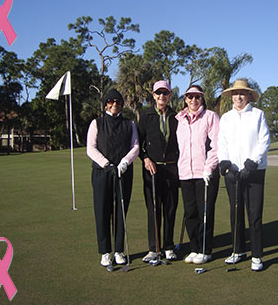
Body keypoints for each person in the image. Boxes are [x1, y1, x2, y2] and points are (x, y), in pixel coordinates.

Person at [218, 79, 270, 271]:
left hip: (254, 172)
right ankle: (237, 250)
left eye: (242, 93)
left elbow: (264, 141)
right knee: (236, 212)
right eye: (235, 93)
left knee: (254, 214)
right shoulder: (226, 118)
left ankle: (257, 255)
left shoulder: (258, 115)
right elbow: (221, 143)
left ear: (249, 96)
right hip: (233, 173)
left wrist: (252, 162)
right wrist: (225, 164)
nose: (238, 97)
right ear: (231, 96)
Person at [86, 88, 139, 268]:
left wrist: (125, 162)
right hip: (102, 172)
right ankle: (105, 252)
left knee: (120, 212)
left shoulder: (129, 124)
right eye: (111, 101)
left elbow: (135, 146)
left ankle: (118, 251)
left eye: (117, 101)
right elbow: (90, 148)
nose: (114, 104)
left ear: (122, 104)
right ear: (106, 103)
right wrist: (106, 164)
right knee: (102, 211)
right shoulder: (97, 123)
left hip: (123, 172)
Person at [176, 85, 220, 265]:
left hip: (205, 173)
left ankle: (205, 249)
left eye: (197, 97)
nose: (193, 100)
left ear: (202, 99)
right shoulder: (179, 119)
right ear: (185, 98)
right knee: (190, 212)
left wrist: (209, 167)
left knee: (205, 212)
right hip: (186, 173)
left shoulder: (210, 117)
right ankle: (194, 248)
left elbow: (216, 145)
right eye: (190, 97)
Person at [137, 80, 180, 262]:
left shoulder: (176, 116)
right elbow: (137, 143)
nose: (162, 96)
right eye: (158, 93)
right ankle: (154, 248)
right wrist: (145, 158)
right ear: (153, 95)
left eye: (165, 93)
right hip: (152, 168)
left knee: (170, 208)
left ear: (169, 96)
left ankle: (168, 246)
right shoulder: (146, 116)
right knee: (154, 209)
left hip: (171, 168)